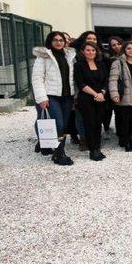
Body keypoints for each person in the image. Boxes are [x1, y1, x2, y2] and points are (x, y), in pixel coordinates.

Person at [32, 31, 77, 165]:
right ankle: (59, 154)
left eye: (61, 40)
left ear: (65, 42)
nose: (58, 42)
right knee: (58, 124)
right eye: (55, 40)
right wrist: (41, 98)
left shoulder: (69, 56)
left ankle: (54, 149)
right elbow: (37, 78)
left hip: (67, 96)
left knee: (64, 125)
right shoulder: (43, 57)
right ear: (50, 42)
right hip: (51, 96)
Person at [109, 41, 132, 152]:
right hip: (125, 97)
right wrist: (114, 94)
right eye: (128, 48)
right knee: (125, 121)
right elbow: (113, 80)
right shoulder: (118, 63)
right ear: (124, 50)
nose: (131, 50)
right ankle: (126, 142)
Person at [74, 42, 109, 161]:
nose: (91, 52)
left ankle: (98, 147)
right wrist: (95, 94)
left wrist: (102, 93)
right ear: (83, 52)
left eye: (93, 50)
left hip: (101, 98)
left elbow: (106, 81)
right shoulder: (79, 65)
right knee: (90, 124)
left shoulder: (101, 64)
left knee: (98, 123)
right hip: (87, 99)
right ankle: (92, 150)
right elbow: (81, 83)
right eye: (88, 50)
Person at [104, 36, 123, 142]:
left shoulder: (129, 55)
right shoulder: (109, 59)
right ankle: (113, 131)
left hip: (126, 89)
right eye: (113, 45)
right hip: (114, 88)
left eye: (118, 44)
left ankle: (122, 132)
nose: (117, 46)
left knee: (122, 111)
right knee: (115, 111)